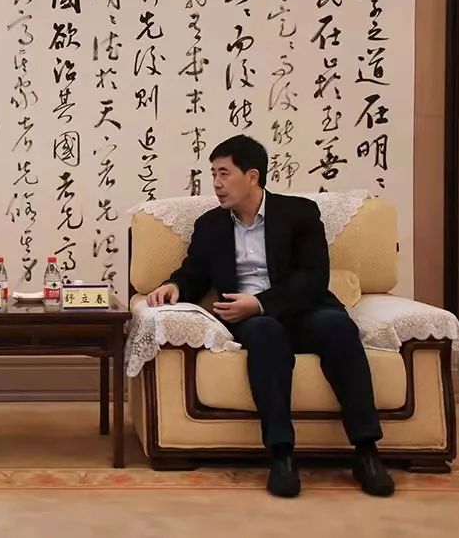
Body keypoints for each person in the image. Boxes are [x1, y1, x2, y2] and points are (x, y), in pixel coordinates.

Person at [146, 135, 394, 498]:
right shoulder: (211, 225)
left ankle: (367, 451)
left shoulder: (300, 213)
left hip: (304, 309)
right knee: (264, 333)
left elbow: (313, 277)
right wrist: (174, 286)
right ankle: (281, 455)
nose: (216, 183)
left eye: (224, 173)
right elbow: (194, 272)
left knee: (338, 326)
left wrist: (260, 302)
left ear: (252, 176)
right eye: (213, 174)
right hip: (252, 320)